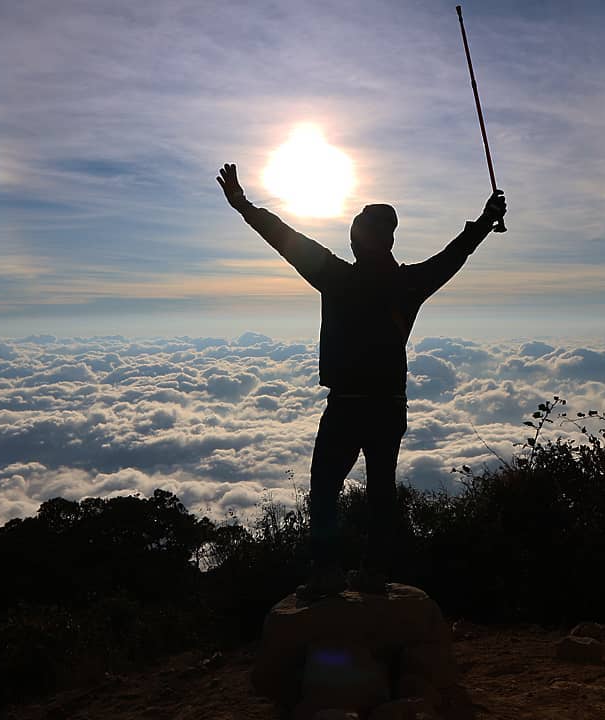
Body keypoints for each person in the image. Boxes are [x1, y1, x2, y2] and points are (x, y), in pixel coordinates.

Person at [217, 163, 507, 599]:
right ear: (389, 240)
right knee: (381, 492)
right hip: (390, 404)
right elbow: (456, 254)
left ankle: (328, 572)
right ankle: (374, 572)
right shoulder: (409, 283)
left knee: (324, 487)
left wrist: (242, 205)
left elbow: (285, 239)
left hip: (348, 404)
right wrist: (485, 221)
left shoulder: (337, 277)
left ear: (357, 239)